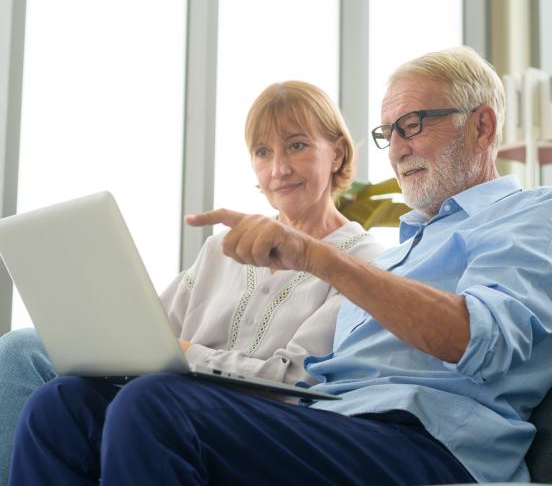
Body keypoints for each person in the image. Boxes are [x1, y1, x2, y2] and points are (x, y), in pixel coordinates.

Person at [8, 45, 552, 485]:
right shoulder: (410, 247)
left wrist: (313, 256)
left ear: (482, 126)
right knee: (65, 404)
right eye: (389, 133)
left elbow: (477, 338)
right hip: (333, 418)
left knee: (157, 405)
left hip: (430, 444)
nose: (398, 149)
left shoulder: (528, 215)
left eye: (413, 124)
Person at [0, 81, 384, 485]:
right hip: (164, 403)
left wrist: (189, 354)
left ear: (337, 151)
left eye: (296, 145)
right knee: (58, 400)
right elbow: (152, 337)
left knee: (143, 402)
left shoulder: (362, 263)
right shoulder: (220, 248)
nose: (278, 169)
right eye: (262, 152)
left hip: (263, 427)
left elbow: (297, 383)